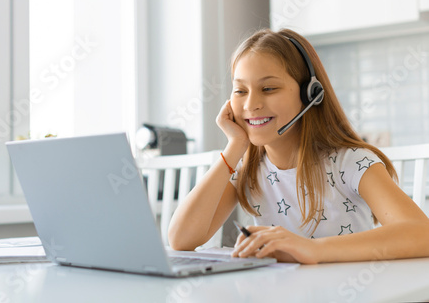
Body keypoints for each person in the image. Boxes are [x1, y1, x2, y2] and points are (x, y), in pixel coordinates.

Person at [168, 28, 429, 264]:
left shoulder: (351, 162)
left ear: (310, 94)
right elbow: (181, 239)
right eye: (240, 91)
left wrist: (312, 250)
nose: (250, 105)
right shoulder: (247, 169)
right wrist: (235, 146)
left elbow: (421, 234)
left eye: (268, 88)